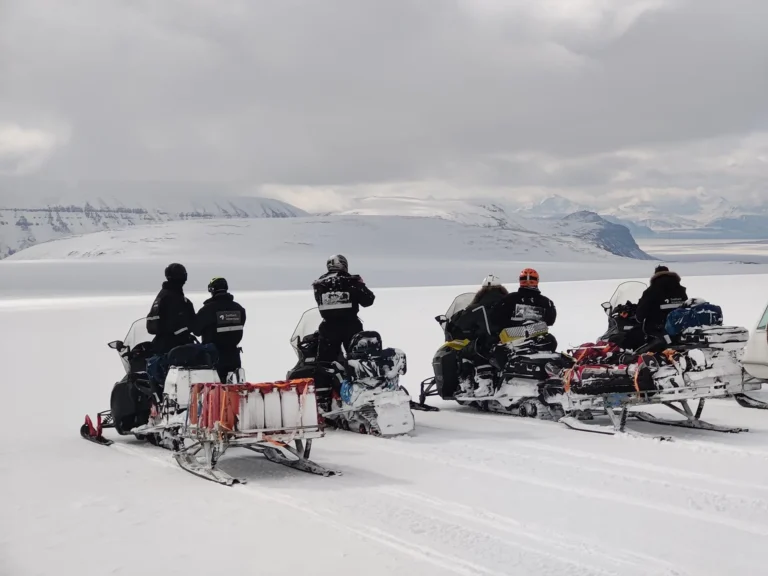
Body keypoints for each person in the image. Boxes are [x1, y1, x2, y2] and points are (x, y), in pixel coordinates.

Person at [312, 254, 375, 404]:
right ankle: (362, 392)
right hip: (351, 325)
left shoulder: (320, 283)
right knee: (358, 360)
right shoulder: (351, 281)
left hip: (328, 327)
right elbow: (368, 300)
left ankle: (323, 398)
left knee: (325, 363)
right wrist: (360, 284)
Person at [450, 275, 509, 398]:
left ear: (482, 290)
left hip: (488, 342)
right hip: (510, 340)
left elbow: (461, 322)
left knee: (464, 352)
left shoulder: (477, 307)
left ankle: (472, 385)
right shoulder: (508, 304)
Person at [194, 277, 247, 382]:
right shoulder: (239, 309)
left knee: (215, 392)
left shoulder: (207, 310)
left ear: (212, 290)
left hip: (213, 357)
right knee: (234, 390)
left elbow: (196, 330)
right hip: (234, 356)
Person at [146, 263, 196, 355]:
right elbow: (178, 323)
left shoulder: (162, 295)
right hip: (173, 347)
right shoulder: (175, 298)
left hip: (161, 344)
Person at [489, 268, 557, 331]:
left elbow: (495, 319)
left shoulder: (509, 299)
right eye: (525, 279)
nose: (528, 282)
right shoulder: (546, 302)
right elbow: (550, 321)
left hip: (512, 337)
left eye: (531, 279)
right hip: (535, 337)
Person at [635, 265, 688, 340]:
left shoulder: (651, 290)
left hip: (657, 328)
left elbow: (642, 311)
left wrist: (638, 317)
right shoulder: (681, 290)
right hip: (679, 327)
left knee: (635, 335)